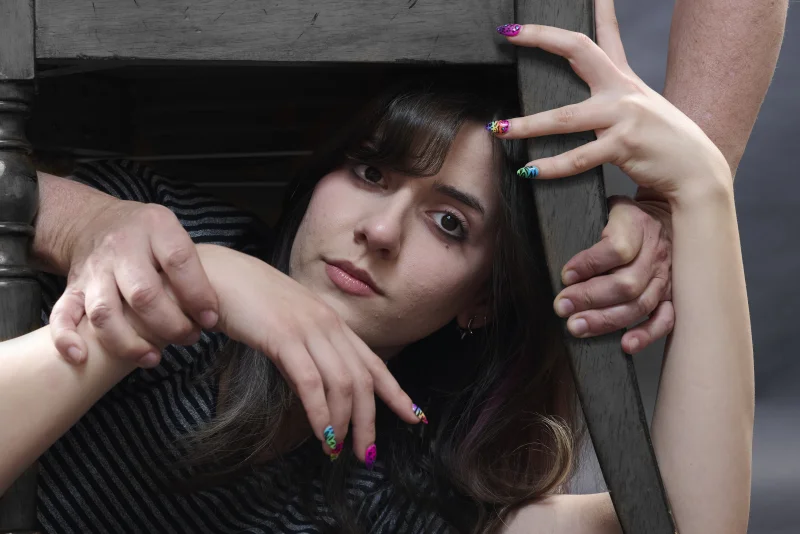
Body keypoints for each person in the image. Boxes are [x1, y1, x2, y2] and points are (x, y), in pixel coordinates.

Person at [0, 0, 768, 532]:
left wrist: (700, 190)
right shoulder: (168, 225)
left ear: (480, 301)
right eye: (371, 172)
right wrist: (182, 282)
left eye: (448, 223)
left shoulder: (405, 494)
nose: (379, 231)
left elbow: (686, 526)